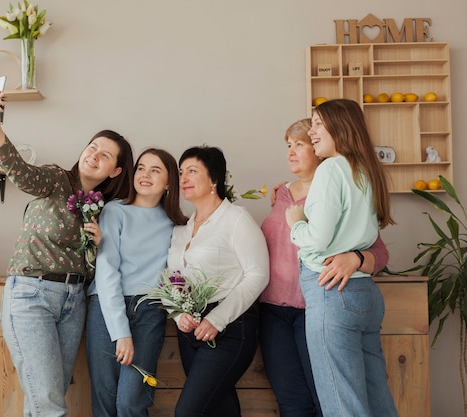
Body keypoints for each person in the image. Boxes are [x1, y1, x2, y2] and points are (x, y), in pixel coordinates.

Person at [0, 90, 134, 417]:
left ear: (116, 171)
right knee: (49, 404)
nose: (95, 155)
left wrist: (99, 243)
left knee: (44, 400)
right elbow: (21, 172)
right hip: (31, 295)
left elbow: (101, 269)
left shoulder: (104, 211)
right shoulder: (54, 179)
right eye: (93, 147)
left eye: (106, 155)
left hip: (73, 301)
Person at [259, 118, 390, 417]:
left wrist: (356, 258)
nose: (291, 152)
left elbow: (379, 252)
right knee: (291, 401)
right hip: (273, 313)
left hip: (318, 307)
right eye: (288, 146)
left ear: (318, 148)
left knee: (328, 400)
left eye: (300, 144)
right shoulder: (280, 195)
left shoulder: (342, 188)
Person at [167, 145, 269, 417]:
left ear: (214, 179)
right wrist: (178, 315)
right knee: (220, 409)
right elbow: (171, 279)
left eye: (192, 171)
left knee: (188, 412)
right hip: (190, 331)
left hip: (230, 330)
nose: (183, 178)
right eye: (180, 172)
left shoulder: (236, 219)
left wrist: (218, 319)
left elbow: (258, 274)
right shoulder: (182, 228)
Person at [86, 148, 187, 417]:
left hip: (149, 311)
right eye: (141, 168)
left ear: (168, 183)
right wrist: (121, 332)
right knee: (104, 398)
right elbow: (107, 273)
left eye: (155, 170)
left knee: (131, 402)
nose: (145, 175)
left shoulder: (177, 224)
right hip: (106, 307)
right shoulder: (114, 212)